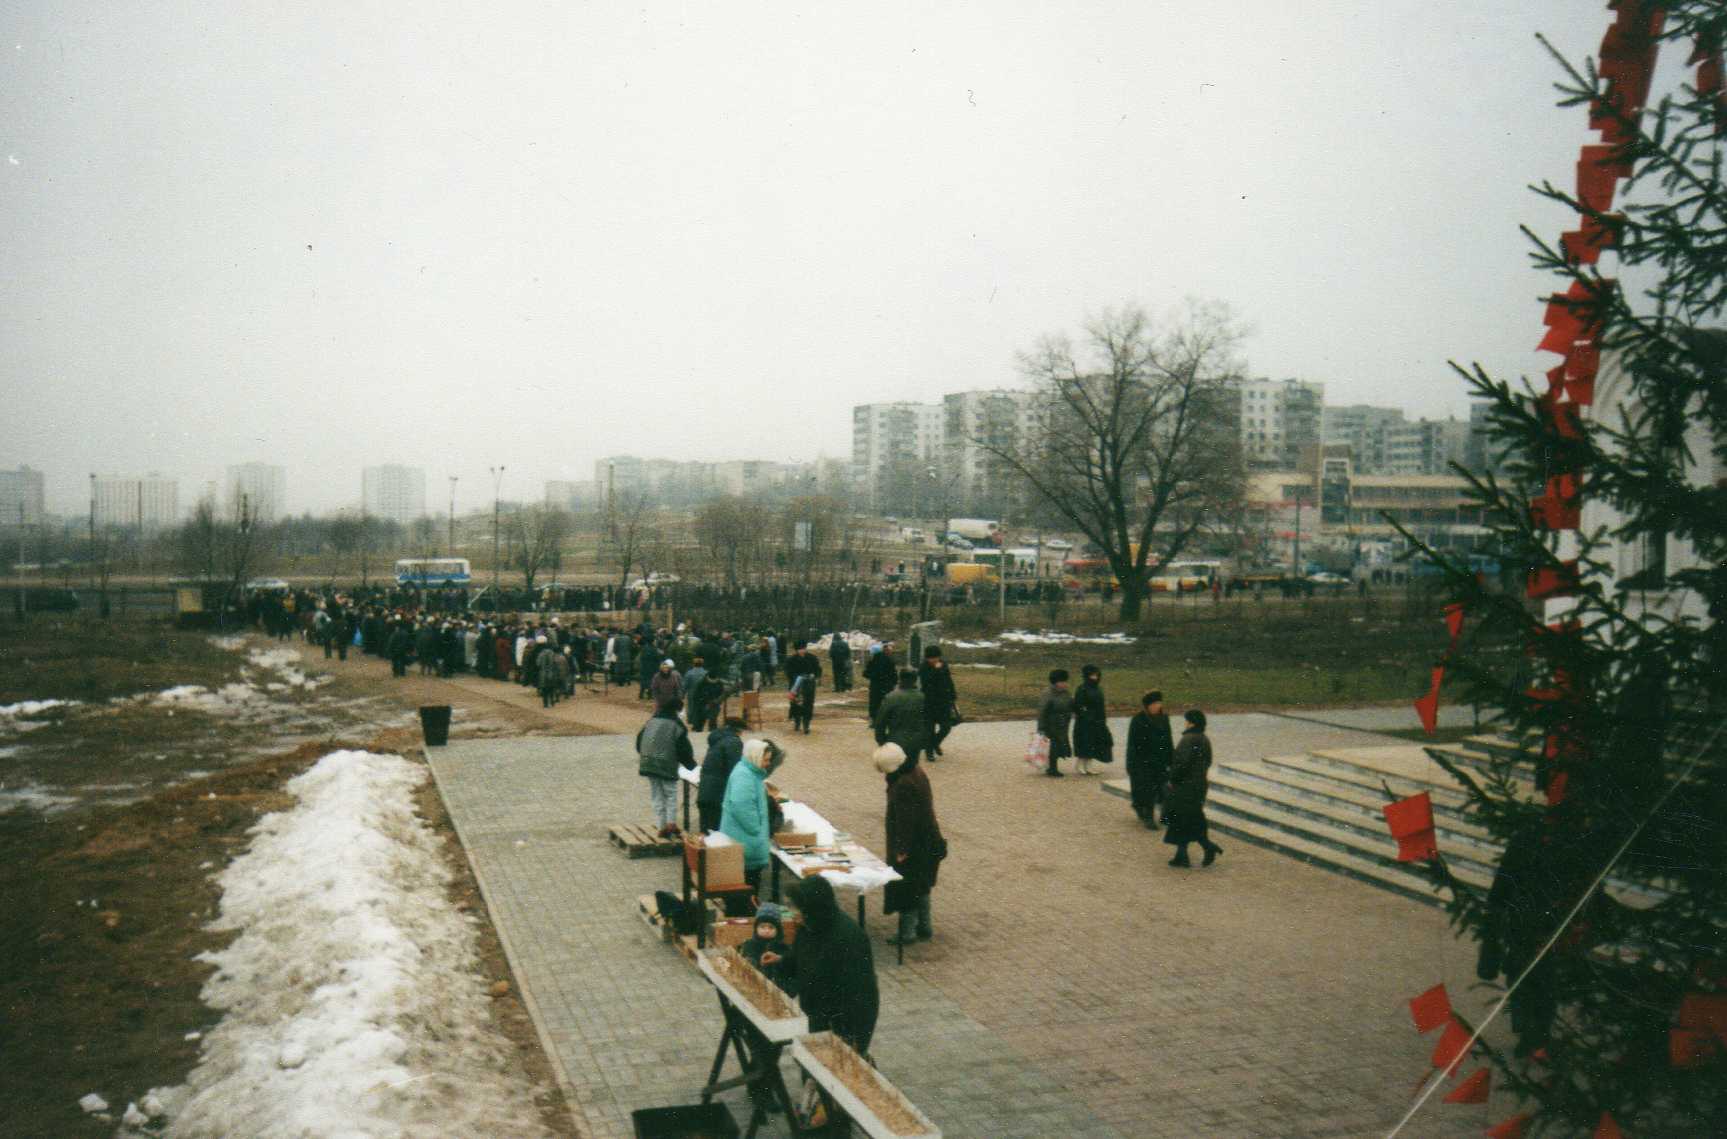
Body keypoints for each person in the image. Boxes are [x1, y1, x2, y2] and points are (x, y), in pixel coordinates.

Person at [787, 874, 879, 1056]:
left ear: (812, 908)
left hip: (845, 1020)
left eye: (796, 908)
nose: (791, 913)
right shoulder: (808, 925)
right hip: (817, 1011)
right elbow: (799, 957)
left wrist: (854, 1039)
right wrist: (780, 960)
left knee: (841, 1063)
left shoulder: (848, 936)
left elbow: (859, 993)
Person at [875, 743, 945, 946]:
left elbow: (906, 821)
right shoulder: (917, 771)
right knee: (922, 885)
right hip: (928, 840)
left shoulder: (903, 784)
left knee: (906, 888)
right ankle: (924, 926)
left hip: (913, 846)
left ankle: (907, 933)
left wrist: (902, 849)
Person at [721, 737, 786, 895]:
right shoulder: (744, 776)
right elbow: (741, 807)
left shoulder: (750, 772)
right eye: (766, 760)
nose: (768, 764)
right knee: (747, 889)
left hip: (746, 842)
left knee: (747, 888)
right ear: (755, 757)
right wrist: (757, 830)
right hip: (746, 843)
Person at [1164, 709, 1223, 867]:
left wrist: (1172, 779)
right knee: (1187, 819)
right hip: (1199, 785)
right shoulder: (1204, 739)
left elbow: (1181, 764)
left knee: (1183, 819)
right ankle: (1183, 854)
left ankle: (1205, 848)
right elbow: (1208, 761)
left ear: (1191, 723)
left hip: (1184, 786)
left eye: (1187, 720)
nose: (1185, 723)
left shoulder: (1188, 739)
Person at [637, 698, 695, 838]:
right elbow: (683, 749)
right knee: (670, 795)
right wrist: (692, 766)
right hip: (666, 764)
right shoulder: (676, 725)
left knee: (657, 795)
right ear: (677, 710)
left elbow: (639, 743)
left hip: (648, 762)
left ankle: (661, 825)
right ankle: (671, 824)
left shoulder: (651, 721)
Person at [1126, 690, 1174, 828]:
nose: (1157, 706)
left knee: (1164, 790)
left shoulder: (1164, 719)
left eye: (1159, 703)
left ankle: (1165, 817)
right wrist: (1131, 765)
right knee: (1147, 791)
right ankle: (1148, 817)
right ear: (1147, 706)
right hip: (1143, 762)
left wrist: (1171, 760)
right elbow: (1132, 745)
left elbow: (1168, 741)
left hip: (1160, 761)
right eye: (1154, 704)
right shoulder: (1138, 720)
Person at [697, 716, 746, 834]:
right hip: (718, 795)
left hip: (706, 792)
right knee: (716, 835)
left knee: (706, 833)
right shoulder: (733, 742)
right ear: (739, 730)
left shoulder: (718, 740)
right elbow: (735, 769)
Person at [738, 902, 798, 996]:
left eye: (771, 927)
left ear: (778, 930)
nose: (766, 930)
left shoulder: (783, 947)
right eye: (762, 927)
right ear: (756, 928)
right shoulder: (749, 945)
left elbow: (791, 971)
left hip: (779, 992)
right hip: (755, 990)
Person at [873, 669, 927, 763]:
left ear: (900, 679)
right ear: (915, 680)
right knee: (911, 766)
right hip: (915, 741)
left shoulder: (891, 697)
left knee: (895, 767)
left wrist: (881, 741)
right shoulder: (922, 698)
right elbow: (927, 721)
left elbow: (880, 722)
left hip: (895, 741)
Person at [916, 645, 958, 761]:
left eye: (937, 657)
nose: (935, 660)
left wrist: (953, 694)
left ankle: (935, 743)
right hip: (928, 702)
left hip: (943, 701)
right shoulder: (923, 667)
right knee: (929, 729)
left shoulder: (943, 664)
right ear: (927, 658)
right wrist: (936, 669)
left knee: (946, 727)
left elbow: (948, 680)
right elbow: (927, 682)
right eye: (932, 658)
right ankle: (929, 752)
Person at [1071, 664, 1112, 776]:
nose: (1095, 677)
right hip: (1084, 721)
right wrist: (1086, 715)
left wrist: (1102, 719)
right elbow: (1078, 705)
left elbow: (1101, 706)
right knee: (1084, 742)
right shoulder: (1081, 688)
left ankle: (1089, 766)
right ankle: (1080, 765)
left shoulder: (1098, 689)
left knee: (1094, 743)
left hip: (1097, 720)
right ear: (1087, 675)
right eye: (1092, 675)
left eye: (1096, 675)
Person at [1035, 669, 1074, 777]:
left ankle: (1051, 767)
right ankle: (1052, 768)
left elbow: (1071, 704)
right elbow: (1042, 711)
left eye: (1065, 681)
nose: (1065, 684)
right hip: (1050, 724)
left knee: (1059, 745)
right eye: (1062, 681)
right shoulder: (1047, 693)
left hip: (1062, 724)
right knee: (1053, 747)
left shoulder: (1066, 693)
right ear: (1055, 682)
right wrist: (1041, 727)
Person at [784, 640, 822, 734]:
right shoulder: (791, 659)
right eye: (800, 649)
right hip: (796, 685)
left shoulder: (812, 658)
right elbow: (788, 672)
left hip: (809, 685)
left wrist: (814, 675)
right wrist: (796, 677)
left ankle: (806, 725)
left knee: (808, 704)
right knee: (796, 704)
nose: (802, 650)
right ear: (796, 650)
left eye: (803, 648)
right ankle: (797, 722)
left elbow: (818, 669)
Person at [863, 641, 898, 723]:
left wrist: (873, 677)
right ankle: (886, 719)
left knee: (874, 702)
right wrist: (894, 683)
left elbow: (866, 673)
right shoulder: (890, 660)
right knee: (886, 702)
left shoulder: (873, 660)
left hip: (875, 685)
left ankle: (874, 720)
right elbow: (894, 674)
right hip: (887, 686)